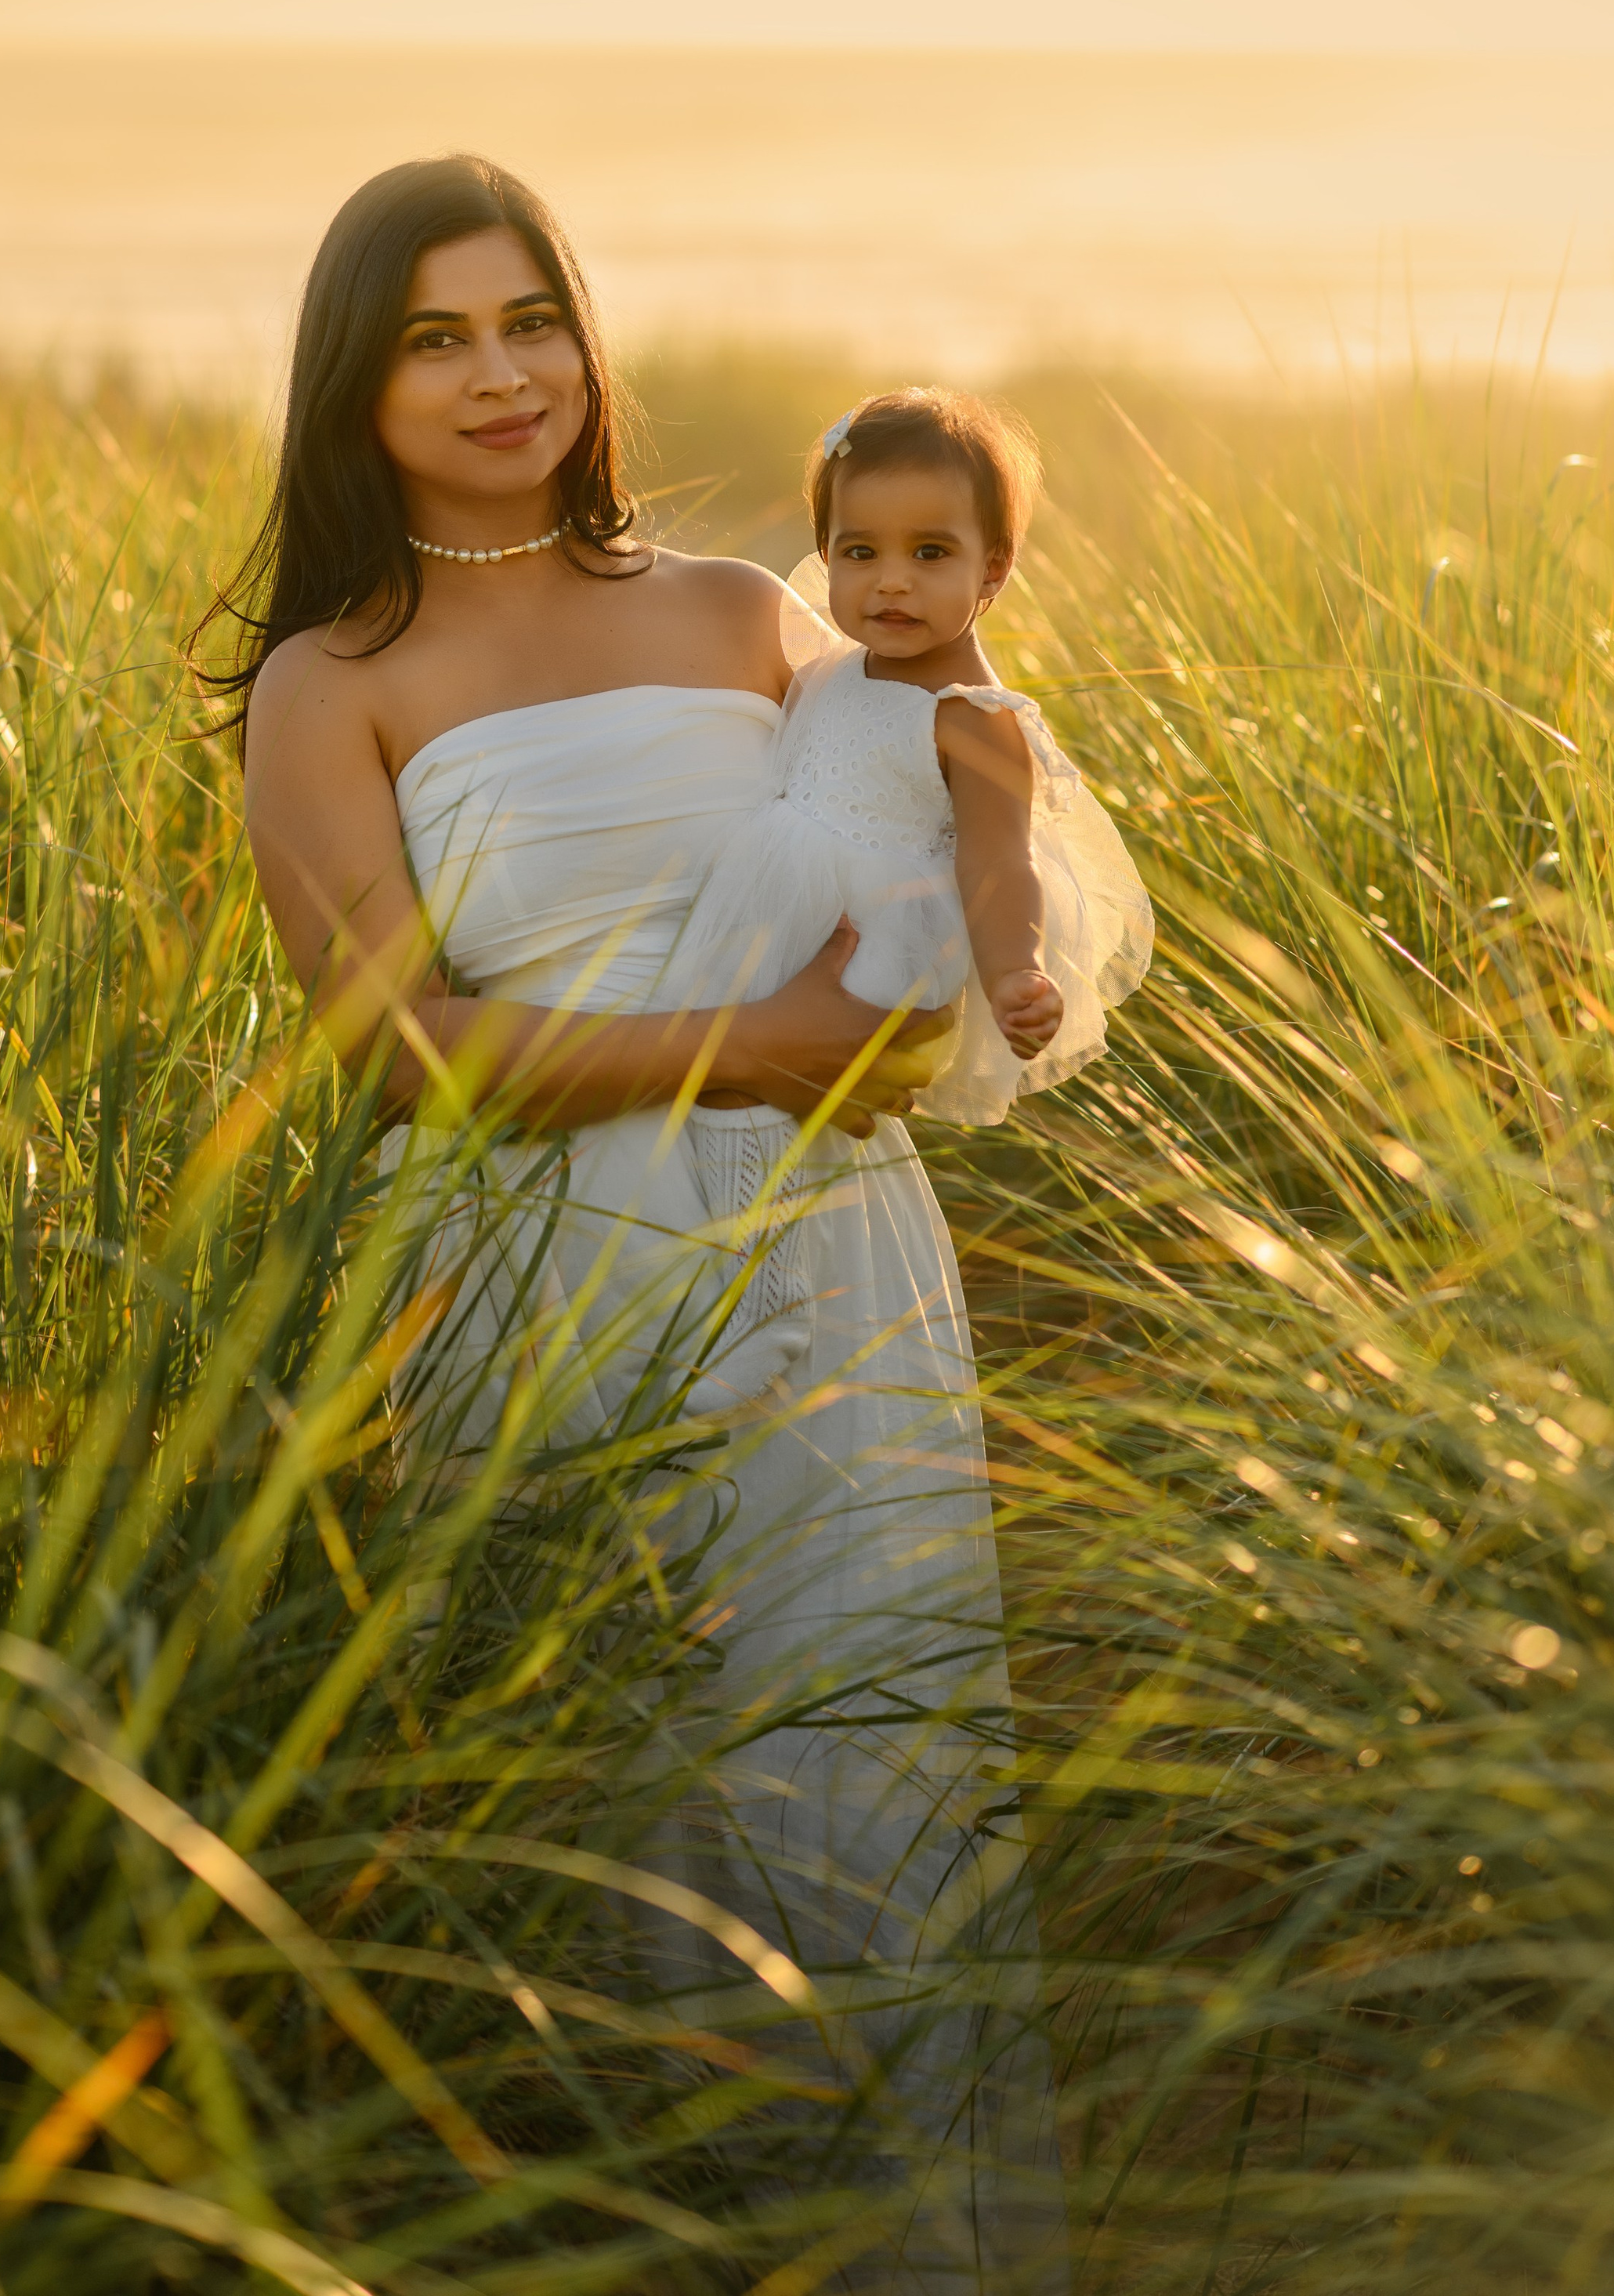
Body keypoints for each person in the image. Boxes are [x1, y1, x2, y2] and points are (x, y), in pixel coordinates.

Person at [215, 154, 1073, 2292]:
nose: (502, 375)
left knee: (855, 1758)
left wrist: (876, 1008)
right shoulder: (333, 679)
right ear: (357, 381)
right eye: (436, 337)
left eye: (532, 320)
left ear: (587, 341)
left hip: (829, 1276)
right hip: (540, 1292)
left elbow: (907, 926)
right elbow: (398, 1053)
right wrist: (751, 1043)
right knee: (622, 1794)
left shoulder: (742, 612)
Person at [667, 388, 1152, 1405]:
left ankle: (774, 1308)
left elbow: (999, 860)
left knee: (770, 1102)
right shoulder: (843, 662)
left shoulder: (973, 716)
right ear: (827, 553)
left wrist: (1017, 965)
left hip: (882, 928)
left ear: (995, 570)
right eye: (860, 552)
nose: (891, 582)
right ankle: (727, 1281)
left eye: (931, 554)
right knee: (720, 1095)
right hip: (788, 900)